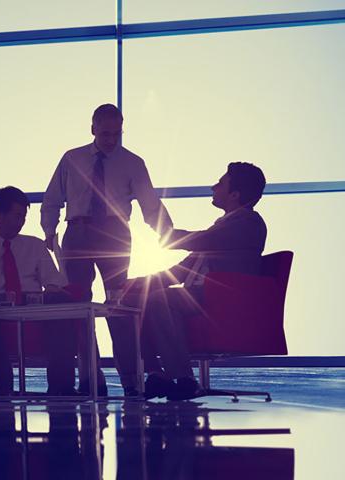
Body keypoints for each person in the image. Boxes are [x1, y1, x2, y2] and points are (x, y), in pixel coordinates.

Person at [41, 103, 173, 396]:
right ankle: (90, 378)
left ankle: (130, 380)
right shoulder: (72, 158)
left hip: (114, 233)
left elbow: (150, 203)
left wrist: (167, 233)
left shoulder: (133, 162)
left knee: (119, 306)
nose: (111, 140)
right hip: (77, 231)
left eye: (116, 134)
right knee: (78, 307)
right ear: (92, 130)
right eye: (105, 134)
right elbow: (52, 199)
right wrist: (49, 231)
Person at [126, 162, 267, 401]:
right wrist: (142, 282)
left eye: (221, 183)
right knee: (134, 299)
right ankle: (155, 376)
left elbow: (202, 241)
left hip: (224, 299)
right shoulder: (224, 226)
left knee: (161, 300)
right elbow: (183, 269)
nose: (214, 186)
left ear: (235, 195)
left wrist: (168, 234)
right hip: (204, 296)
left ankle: (185, 380)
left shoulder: (248, 223)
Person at [0, 186, 80, 396]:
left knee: (61, 307)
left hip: (31, 305)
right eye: (17, 215)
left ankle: (61, 386)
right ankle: (1, 385)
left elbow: (54, 283)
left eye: (24, 217)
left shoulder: (35, 246)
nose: (22, 221)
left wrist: (52, 292)